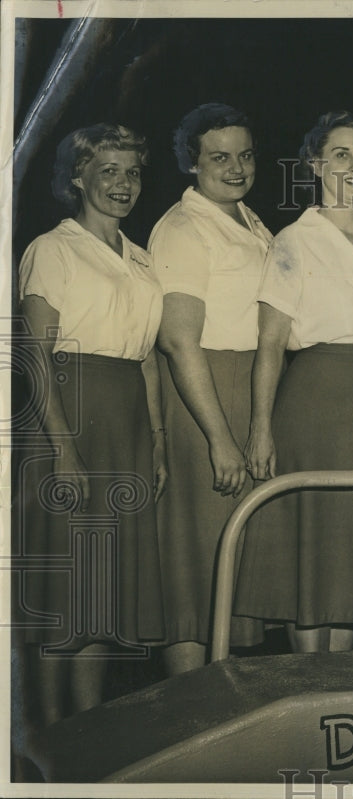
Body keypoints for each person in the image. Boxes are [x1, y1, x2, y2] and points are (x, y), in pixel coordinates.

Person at [236, 112, 353, 653]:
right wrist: (261, 429)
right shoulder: (294, 239)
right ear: (315, 164)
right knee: (315, 549)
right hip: (318, 402)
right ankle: (306, 685)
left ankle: (339, 684)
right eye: (341, 155)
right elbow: (269, 344)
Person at [15, 124, 166, 722]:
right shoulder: (51, 248)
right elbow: (34, 355)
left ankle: (90, 724)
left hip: (126, 421)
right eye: (108, 171)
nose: (123, 184)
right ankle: (49, 736)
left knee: (101, 589)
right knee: (64, 589)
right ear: (77, 176)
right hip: (70, 421)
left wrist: (155, 442)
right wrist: (65, 450)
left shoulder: (142, 257)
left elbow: (149, 356)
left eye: (132, 172)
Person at [149, 103, 271, 674]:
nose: (236, 167)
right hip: (206, 396)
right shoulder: (183, 227)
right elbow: (177, 340)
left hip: (247, 387)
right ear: (191, 163)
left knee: (230, 556)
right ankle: (185, 714)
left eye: (245, 155)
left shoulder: (248, 219)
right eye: (219, 157)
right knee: (194, 560)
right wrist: (220, 439)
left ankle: (219, 708)